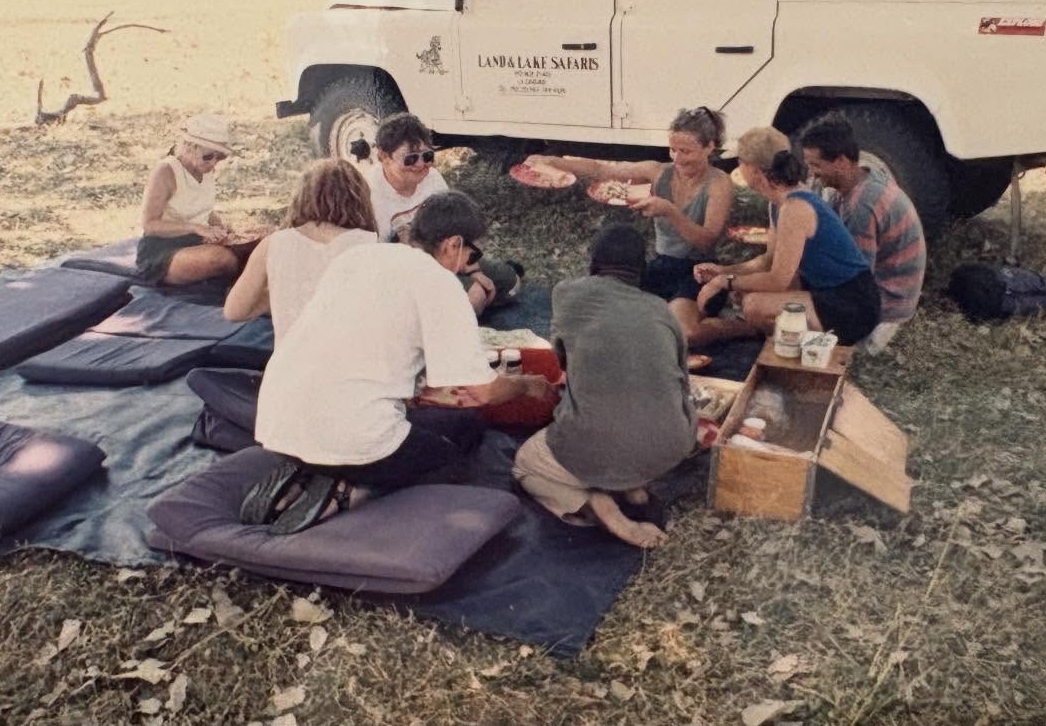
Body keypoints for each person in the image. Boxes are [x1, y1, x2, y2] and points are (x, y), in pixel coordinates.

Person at [242, 191, 553, 534]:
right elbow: (483, 392)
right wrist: (529, 385)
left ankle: (309, 472)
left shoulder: (357, 256)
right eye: (473, 255)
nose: (473, 265)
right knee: (451, 463)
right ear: (452, 245)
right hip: (352, 434)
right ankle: (347, 491)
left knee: (462, 426)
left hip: (278, 421)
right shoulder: (442, 285)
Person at [513, 224, 696, 549]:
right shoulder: (663, 312)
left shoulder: (567, 294)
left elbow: (563, 364)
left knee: (525, 464)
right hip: (672, 446)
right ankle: (632, 487)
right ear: (641, 270)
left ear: (593, 263)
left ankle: (605, 510)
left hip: (599, 448)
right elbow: (682, 383)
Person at [526, 106, 732, 345]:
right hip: (662, 264)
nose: (677, 158)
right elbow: (603, 170)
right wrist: (551, 160)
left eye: (685, 151)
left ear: (709, 147)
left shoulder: (719, 183)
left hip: (699, 270)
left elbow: (707, 241)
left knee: (684, 334)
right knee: (609, 314)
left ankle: (742, 327)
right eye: (672, 150)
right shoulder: (658, 171)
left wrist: (670, 211)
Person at [693, 127, 880, 345]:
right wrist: (723, 272)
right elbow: (768, 261)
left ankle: (788, 346)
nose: (738, 167)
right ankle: (773, 337)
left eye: (740, 161)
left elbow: (778, 280)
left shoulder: (795, 208)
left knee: (754, 305)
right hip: (822, 288)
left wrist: (727, 282)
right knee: (749, 295)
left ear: (755, 171)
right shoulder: (778, 201)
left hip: (851, 303)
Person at [368, 112, 522, 315]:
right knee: (471, 299)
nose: (421, 164)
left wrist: (473, 269)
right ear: (383, 157)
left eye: (428, 156)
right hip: (404, 273)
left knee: (511, 283)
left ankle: (462, 301)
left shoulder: (432, 178)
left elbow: (455, 229)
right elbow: (375, 264)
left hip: (446, 257)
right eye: (410, 158)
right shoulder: (369, 193)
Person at [798, 113, 926, 354]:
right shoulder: (860, 177)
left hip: (885, 304)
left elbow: (854, 281)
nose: (812, 173)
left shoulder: (862, 207)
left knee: (793, 309)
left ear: (842, 161)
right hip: (879, 286)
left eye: (816, 165)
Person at [223, 159, 379, 339]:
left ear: (301, 197)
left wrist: (282, 293)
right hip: (351, 361)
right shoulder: (369, 244)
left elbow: (234, 311)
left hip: (289, 364)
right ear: (359, 198)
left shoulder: (273, 244)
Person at [136, 113, 241, 286]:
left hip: (196, 242)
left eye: (220, 157)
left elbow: (199, 207)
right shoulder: (166, 171)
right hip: (163, 250)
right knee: (222, 259)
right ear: (190, 146)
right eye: (208, 156)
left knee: (257, 245)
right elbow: (150, 224)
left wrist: (219, 224)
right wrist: (195, 228)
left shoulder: (206, 169)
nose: (214, 163)